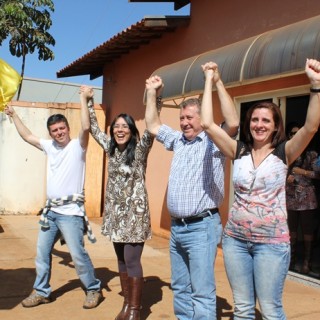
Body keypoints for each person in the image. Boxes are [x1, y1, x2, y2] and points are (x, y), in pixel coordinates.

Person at [200, 59, 320, 319]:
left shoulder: (284, 152)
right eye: (254, 119)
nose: (259, 124)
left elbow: (311, 127)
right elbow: (208, 124)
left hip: (272, 244)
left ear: (276, 125)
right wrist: (210, 80)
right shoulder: (238, 150)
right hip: (235, 241)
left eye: (266, 120)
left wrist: (316, 86)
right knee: (242, 309)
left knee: (270, 309)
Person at [145, 63, 239, 319]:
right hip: (177, 228)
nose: (184, 123)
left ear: (201, 118)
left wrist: (216, 81)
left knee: (201, 291)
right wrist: (152, 93)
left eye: (189, 118)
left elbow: (232, 121)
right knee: (180, 287)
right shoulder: (178, 140)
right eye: (182, 119)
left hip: (202, 227)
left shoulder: (213, 141)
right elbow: (153, 125)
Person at [4, 88, 102, 309]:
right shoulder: (49, 146)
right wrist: (14, 115)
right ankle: (42, 291)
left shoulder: (79, 146)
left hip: (72, 214)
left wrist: (83, 98)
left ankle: (93, 288)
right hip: (51, 213)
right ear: (51, 133)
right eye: (54, 130)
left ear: (68, 128)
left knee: (77, 255)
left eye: (61, 128)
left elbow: (86, 127)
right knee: (42, 253)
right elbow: (27, 136)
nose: (59, 133)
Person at [81, 85, 153, 320]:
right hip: (115, 216)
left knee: (132, 260)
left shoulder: (140, 151)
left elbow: (152, 128)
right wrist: (89, 101)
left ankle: (135, 309)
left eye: (125, 127)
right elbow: (92, 128)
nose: (120, 130)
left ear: (132, 131)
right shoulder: (110, 149)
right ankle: (126, 303)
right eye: (117, 127)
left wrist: (155, 96)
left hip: (135, 216)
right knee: (121, 260)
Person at [286, 123, 319, 273]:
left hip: (307, 200)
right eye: (292, 134)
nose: (295, 136)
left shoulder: (311, 154)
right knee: (291, 231)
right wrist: (286, 178)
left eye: (297, 133)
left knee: (307, 232)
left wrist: (303, 172)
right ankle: (291, 261)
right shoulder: (286, 153)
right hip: (290, 198)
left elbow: (317, 174)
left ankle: (307, 262)